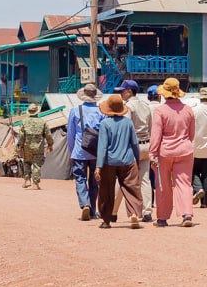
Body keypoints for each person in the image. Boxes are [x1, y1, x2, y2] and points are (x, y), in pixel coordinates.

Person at [150, 77, 196, 227]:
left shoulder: (160, 110)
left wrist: (152, 153)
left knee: (163, 185)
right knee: (184, 183)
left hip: (165, 152)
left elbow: (156, 135)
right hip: (185, 150)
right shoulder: (188, 110)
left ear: (164, 93)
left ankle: (162, 217)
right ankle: (186, 213)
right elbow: (191, 134)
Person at [95, 94, 143, 229]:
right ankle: (133, 214)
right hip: (128, 161)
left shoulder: (105, 123)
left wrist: (98, 166)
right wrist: (137, 161)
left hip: (109, 162)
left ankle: (106, 220)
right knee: (132, 188)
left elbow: (102, 146)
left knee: (106, 191)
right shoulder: (128, 123)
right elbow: (134, 143)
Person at [115, 80, 156, 220]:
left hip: (132, 146)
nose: (120, 94)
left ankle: (113, 212)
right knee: (145, 179)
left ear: (129, 91)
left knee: (123, 179)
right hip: (146, 144)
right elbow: (151, 128)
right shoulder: (146, 106)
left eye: (122, 91)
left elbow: (125, 128)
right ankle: (147, 211)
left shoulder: (128, 107)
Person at [66, 84, 104, 221]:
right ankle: (93, 210)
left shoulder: (75, 111)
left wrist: (71, 152)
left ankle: (85, 203)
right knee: (95, 181)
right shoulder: (101, 112)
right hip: (95, 152)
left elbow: (70, 134)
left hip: (79, 151)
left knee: (80, 179)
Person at [18, 103, 53, 189]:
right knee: (37, 165)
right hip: (39, 148)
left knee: (27, 162)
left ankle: (27, 180)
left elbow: (22, 136)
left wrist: (20, 145)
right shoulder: (42, 122)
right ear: (37, 112)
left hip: (27, 147)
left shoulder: (24, 122)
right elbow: (48, 135)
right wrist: (50, 145)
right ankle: (35, 184)